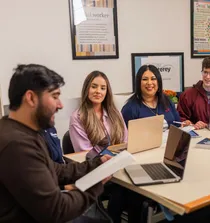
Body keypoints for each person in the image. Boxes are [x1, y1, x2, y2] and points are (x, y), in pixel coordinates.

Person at [0, 64, 112, 223]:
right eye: (54, 96)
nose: (60, 105)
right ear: (31, 98)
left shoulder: (23, 131)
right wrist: (95, 185)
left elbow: (55, 169)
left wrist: (95, 164)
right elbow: (57, 210)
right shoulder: (16, 145)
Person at [69, 71, 128, 155]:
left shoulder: (116, 113)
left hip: (119, 161)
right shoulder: (77, 117)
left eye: (103, 88)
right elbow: (85, 153)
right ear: (86, 88)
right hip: (94, 165)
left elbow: (125, 142)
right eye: (94, 87)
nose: (98, 91)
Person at [121, 64, 181, 131]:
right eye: (145, 79)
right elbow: (125, 137)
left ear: (158, 82)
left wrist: (185, 124)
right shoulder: (130, 108)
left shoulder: (166, 101)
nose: (149, 83)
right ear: (138, 83)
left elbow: (178, 124)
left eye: (153, 79)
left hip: (170, 140)